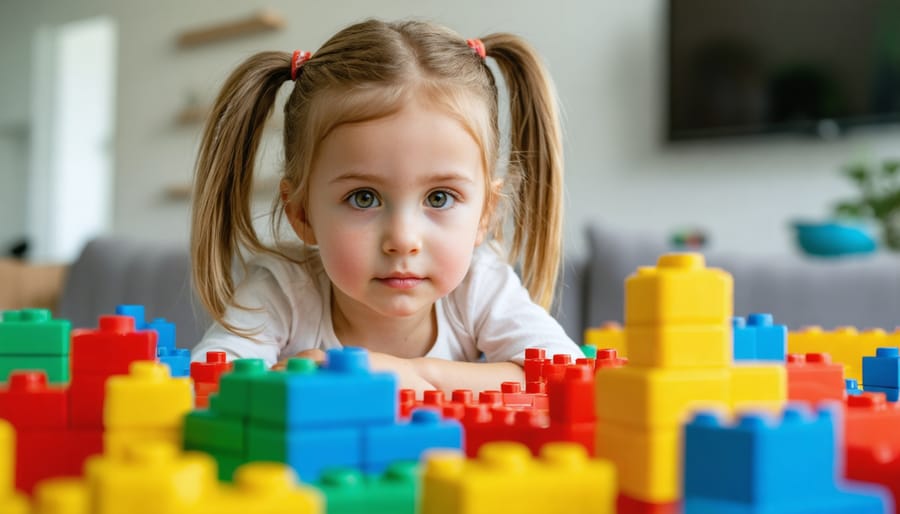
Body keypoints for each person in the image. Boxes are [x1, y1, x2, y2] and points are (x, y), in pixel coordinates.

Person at [189, 18, 583, 392]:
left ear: (486, 213)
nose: (403, 240)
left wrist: (411, 373)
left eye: (439, 197)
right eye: (364, 198)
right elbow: (205, 385)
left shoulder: (480, 287)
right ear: (302, 214)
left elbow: (569, 378)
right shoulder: (283, 291)